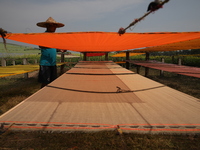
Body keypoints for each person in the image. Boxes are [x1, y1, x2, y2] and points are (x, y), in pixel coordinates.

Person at [36, 17, 65, 88]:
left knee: (52, 81)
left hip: (53, 62)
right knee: (45, 82)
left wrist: (60, 50)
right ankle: (41, 96)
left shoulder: (54, 37)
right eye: (53, 25)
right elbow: (41, 46)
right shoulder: (44, 35)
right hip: (45, 63)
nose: (55, 28)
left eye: (56, 26)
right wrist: (51, 45)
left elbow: (54, 47)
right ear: (48, 26)